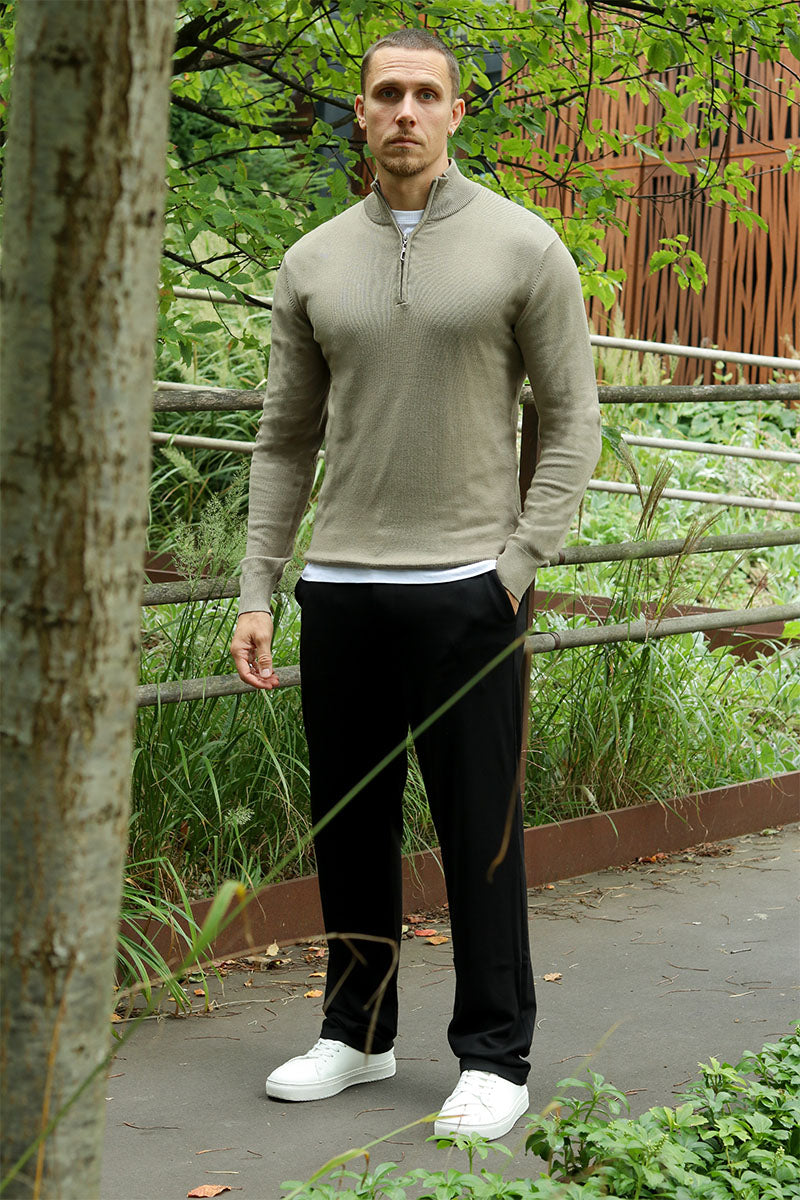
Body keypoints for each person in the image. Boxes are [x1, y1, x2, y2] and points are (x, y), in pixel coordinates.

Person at [230, 27, 601, 1141]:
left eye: (424, 93)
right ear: (359, 112)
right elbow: (282, 440)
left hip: (468, 587)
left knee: (481, 828)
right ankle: (357, 1033)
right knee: (349, 826)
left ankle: (494, 1056)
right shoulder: (312, 261)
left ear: (453, 112)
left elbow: (572, 419)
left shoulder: (522, 246)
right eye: (385, 92)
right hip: (341, 586)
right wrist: (258, 588)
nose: (404, 110)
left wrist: (518, 564)